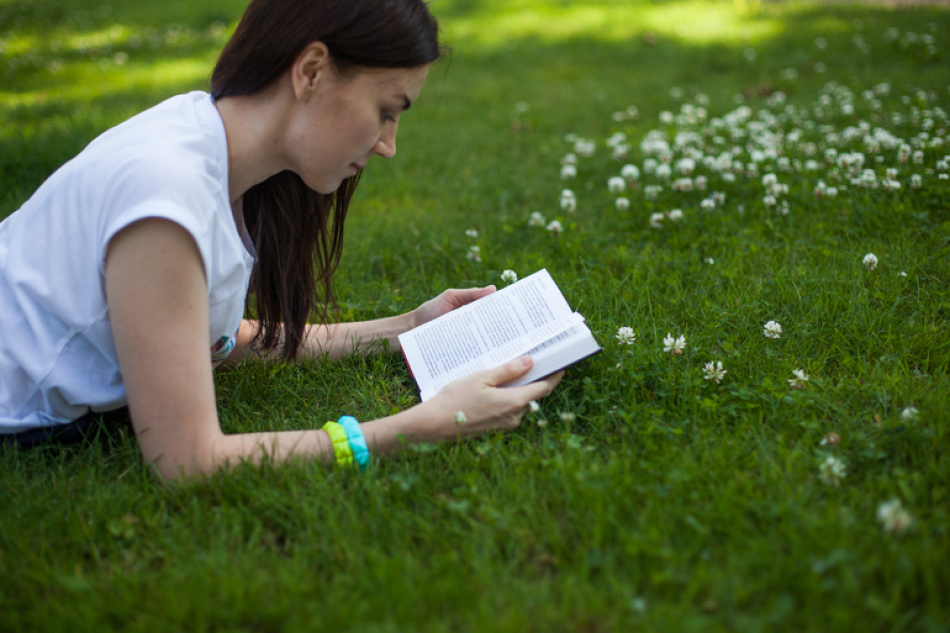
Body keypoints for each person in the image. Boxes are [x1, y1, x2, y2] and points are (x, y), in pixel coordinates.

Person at [0, 0, 562, 480]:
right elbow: (188, 462)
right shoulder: (165, 197)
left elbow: (205, 340)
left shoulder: (212, 151)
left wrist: (406, 328)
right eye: (386, 112)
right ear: (312, 71)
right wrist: (422, 425)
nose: (389, 144)